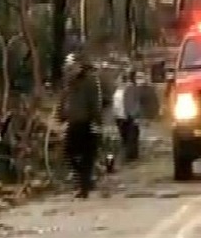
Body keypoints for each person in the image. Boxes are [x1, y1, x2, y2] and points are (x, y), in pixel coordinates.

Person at [58, 53, 103, 199]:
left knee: (87, 156)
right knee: (69, 152)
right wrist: (61, 115)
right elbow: (63, 99)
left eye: (72, 66)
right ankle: (84, 180)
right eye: (68, 67)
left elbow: (95, 101)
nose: (70, 69)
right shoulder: (68, 82)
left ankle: (84, 186)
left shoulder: (89, 81)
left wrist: (97, 120)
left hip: (86, 122)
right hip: (73, 122)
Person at [112, 70, 142, 162]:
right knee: (124, 136)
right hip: (120, 117)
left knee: (131, 136)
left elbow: (136, 102)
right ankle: (128, 155)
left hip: (129, 116)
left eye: (118, 79)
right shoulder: (117, 90)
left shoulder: (131, 88)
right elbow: (115, 103)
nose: (116, 81)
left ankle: (132, 156)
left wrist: (136, 116)